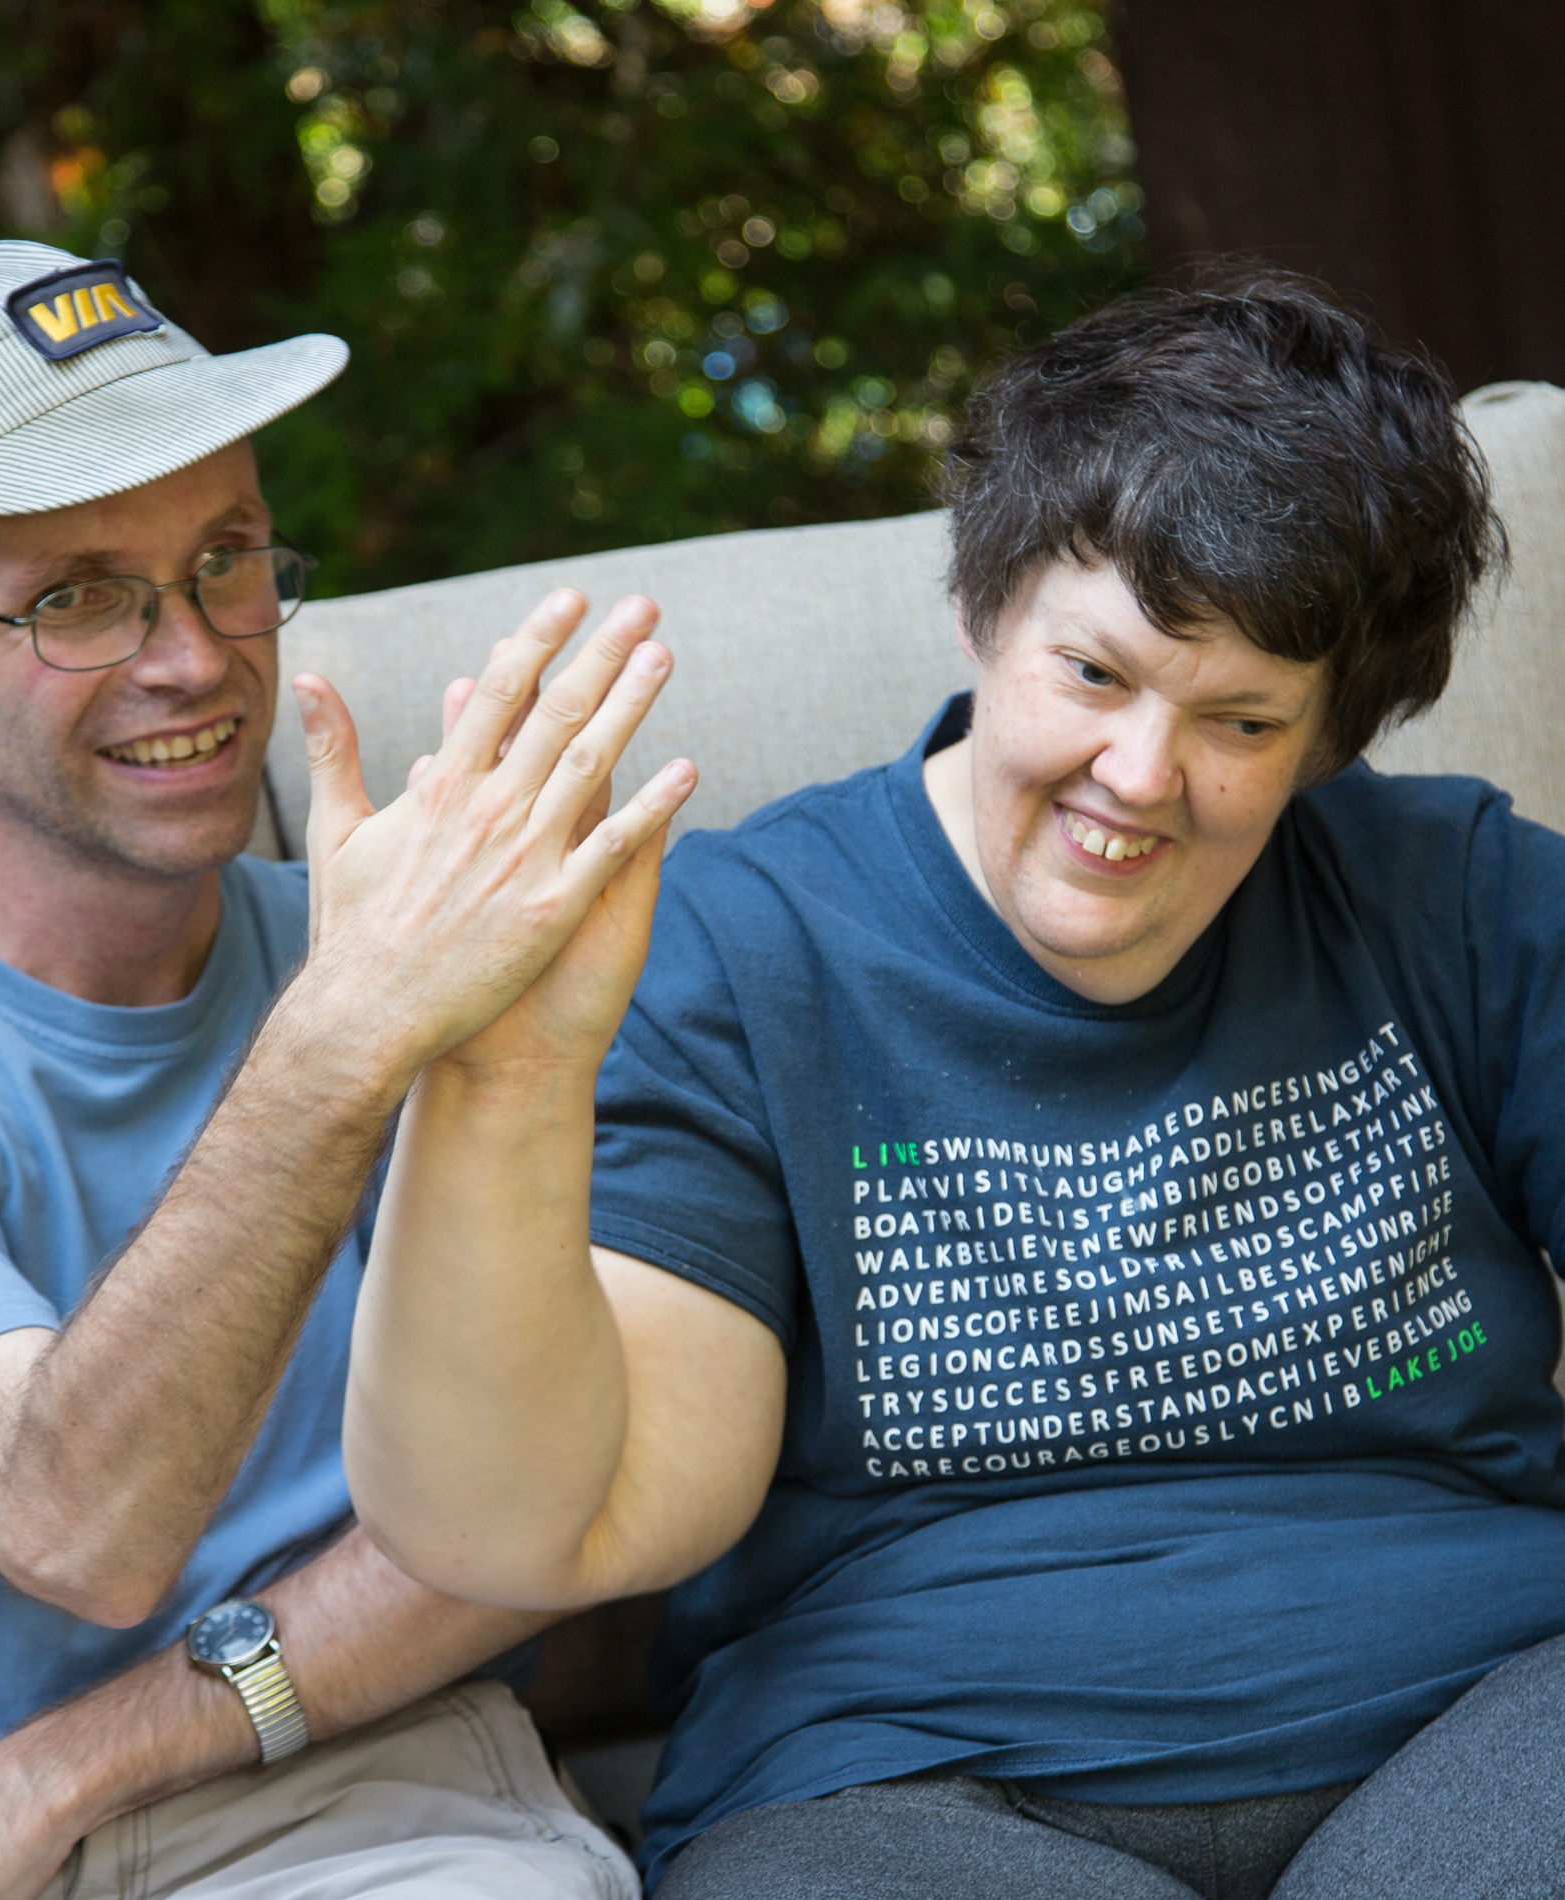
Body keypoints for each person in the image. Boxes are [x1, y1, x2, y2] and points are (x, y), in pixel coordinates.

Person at [341, 276, 1565, 1900]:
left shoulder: (1457, 890)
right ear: (988, 608)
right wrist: (504, 1084)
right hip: (909, 1786)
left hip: (1487, 1708)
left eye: (1243, 719)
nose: (1141, 776)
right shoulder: (730, 947)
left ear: (1331, 739)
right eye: (1096, 675)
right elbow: (545, 1529)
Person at [0, 240, 693, 1900]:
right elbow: (75, 1521)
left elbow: (552, 1505)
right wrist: (348, 1040)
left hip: (374, 1811)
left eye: (224, 559)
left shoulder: (422, 966)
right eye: (77, 595)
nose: (198, 658)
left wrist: (60, 1776)